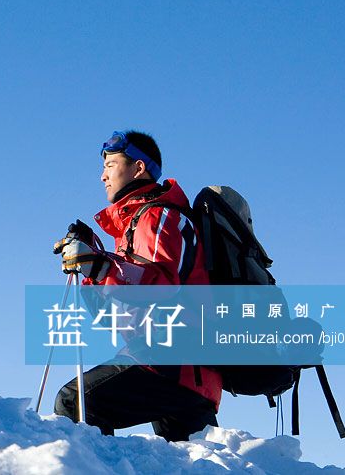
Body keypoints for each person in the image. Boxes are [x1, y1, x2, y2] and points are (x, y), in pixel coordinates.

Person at [52, 130, 221, 441]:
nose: (102, 176)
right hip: (183, 371)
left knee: (75, 403)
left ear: (139, 168)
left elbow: (162, 287)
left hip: (171, 362)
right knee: (191, 463)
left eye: (111, 165)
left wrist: (101, 264)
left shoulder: (160, 216)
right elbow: (113, 317)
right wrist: (93, 266)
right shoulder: (134, 227)